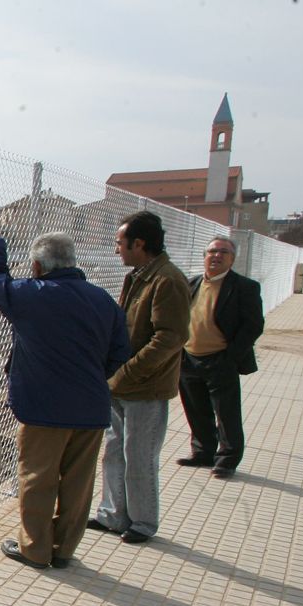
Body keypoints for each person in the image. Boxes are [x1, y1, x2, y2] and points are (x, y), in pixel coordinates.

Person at [0, 228, 129, 569]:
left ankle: (35, 548)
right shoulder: (102, 299)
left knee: (37, 477)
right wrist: (90, 376)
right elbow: (121, 350)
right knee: (79, 480)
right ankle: (63, 549)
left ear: (36, 266)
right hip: (91, 407)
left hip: (43, 407)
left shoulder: (32, 295)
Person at [90, 210, 191, 544]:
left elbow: (170, 338)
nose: (116, 249)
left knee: (140, 455)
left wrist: (128, 370)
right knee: (115, 450)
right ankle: (112, 514)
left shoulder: (167, 280)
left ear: (139, 243)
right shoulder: (140, 275)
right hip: (122, 382)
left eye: (120, 243)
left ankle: (143, 522)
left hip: (144, 386)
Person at [176, 237, 264, 478]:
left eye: (223, 252)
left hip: (220, 360)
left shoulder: (244, 287)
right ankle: (203, 452)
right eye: (212, 251)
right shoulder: (191, 283)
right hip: (189, 358)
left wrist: (231, 357)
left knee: (226, 413)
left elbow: (254, 325)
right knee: (196, 409)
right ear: (204, 256)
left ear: (232, 258)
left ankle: (227, 460)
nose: (216, 256)